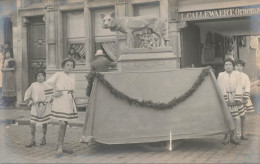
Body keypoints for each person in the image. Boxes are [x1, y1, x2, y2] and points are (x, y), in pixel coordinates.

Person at [46, 58, 77, 156]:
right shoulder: (58, 74)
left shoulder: (73, 75)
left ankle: (61, 145)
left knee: (66, 122)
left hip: (69, 100)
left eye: (71, 65)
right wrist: (53, 94)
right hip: (60, 100)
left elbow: (72, 88)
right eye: (67, 65)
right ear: (63, 66)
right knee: (62, 123)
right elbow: (47, 84)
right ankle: (59, 146)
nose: (70, 67)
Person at [81, 49, 113, 143]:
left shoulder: (93, 62)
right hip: (106, 80)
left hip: (97, 81)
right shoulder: (106, 60)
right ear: (102, 55)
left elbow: (91, 73)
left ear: (96, 56)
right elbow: (113, 66)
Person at [217, 58, 245, 145]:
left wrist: (237, 98)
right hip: (226, 98)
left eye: (230, 64)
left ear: (233, 66)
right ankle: (227, 136)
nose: (228, 66)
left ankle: (235, 136)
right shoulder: (221, 75)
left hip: (235, 97)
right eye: (226, 64)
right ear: (224, 67)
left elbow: (239, 86)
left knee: (236, 117)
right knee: (226, 117)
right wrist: (225, 100)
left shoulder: (237, 74)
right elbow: (220, 87)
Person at [24, 70, 52, 147]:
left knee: (44, 123)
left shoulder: (47, 85)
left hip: (44, 105)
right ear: (36, 77)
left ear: (44, 77)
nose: (40, 77)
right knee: (33, 122)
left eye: (41, 75)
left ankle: (44, 138)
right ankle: (32, 139)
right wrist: (31, 100)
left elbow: (50, 96)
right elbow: (27, 94)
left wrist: (46, 101)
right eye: (38, 76)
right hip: (35, 105)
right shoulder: (33, 85)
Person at [234, 59, 255, 140]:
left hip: (243, 97)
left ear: (243, 67)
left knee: (243, 116)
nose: (238, 67)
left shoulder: (245, 76)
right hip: (235, 97)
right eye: (237, 66)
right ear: (234, 66)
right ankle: (235, 134)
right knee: (235, 116)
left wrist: (245, 97)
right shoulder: (232, 75)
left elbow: (247, 87)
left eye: (240, 66)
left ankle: (243, 133)